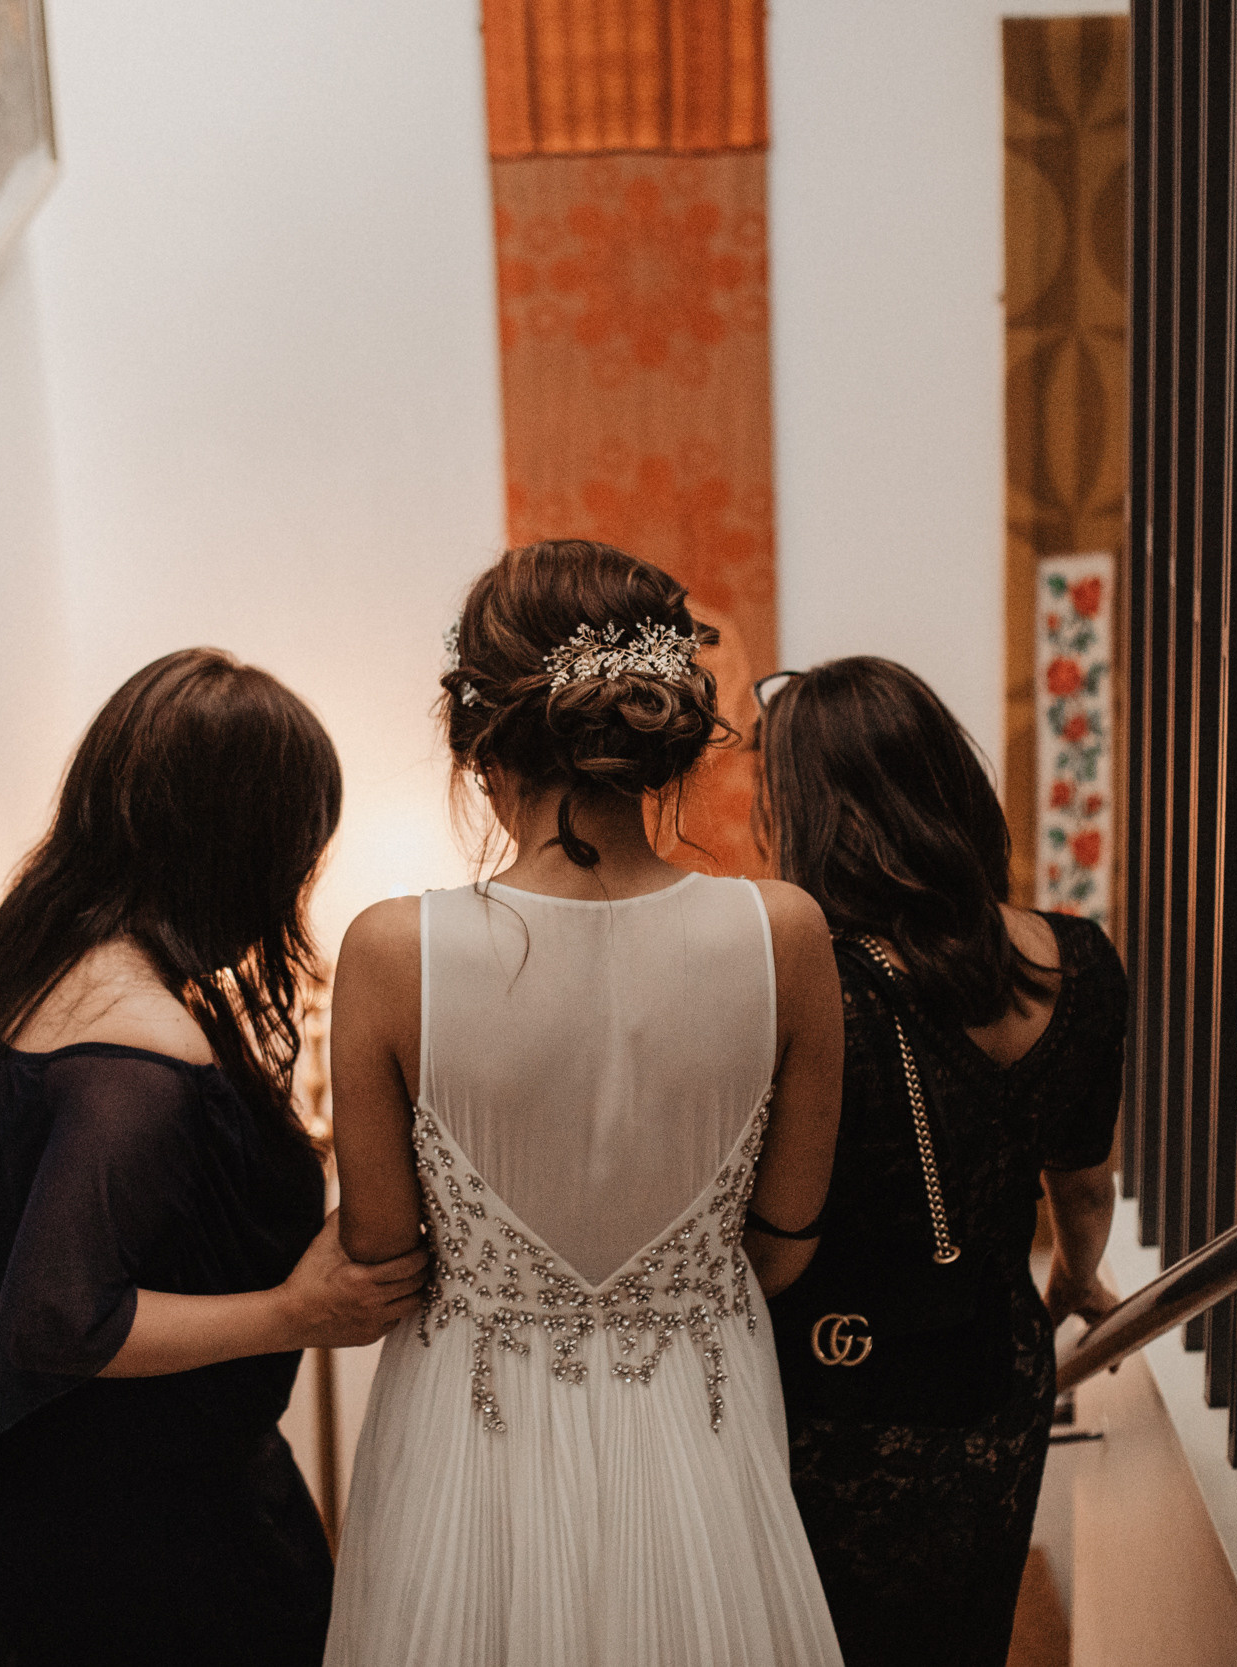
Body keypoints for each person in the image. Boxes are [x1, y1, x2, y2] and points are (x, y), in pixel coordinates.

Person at [323, 541, 848, 1667]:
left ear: (478, 742)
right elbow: (786, 1245)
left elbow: (378, 1251)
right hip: (697, 1421)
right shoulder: (787, 935)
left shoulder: (386, 951)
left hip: (471, 1431)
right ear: (667, 733)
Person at [0, 648, 429, 1667]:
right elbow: (57, 1314)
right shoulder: (134, 1049)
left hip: (34, 1501)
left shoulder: (34, 954)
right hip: (128, 1537)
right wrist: (297, 1311)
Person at [754, 655, 1126, 1667]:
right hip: (995, 1364)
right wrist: (1077, 1271)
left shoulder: (811, 981)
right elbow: (1083, 1178)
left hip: (835, 1379)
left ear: (809, 812)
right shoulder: (1081, 959)